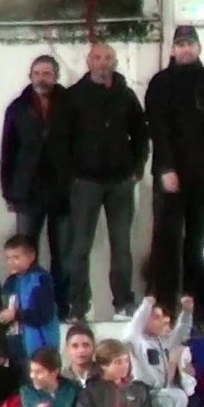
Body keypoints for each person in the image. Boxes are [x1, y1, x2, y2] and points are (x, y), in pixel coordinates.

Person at [144, 25, 204, 307]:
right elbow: (157, 130)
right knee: (167, 240)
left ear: (199, 48)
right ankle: (164, 305)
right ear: (173, 49)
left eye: (190, 44)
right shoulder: (159, 83)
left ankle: (195, 303)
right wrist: (165, 168)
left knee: (199, 240)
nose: (185, 49)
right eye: (180, 44)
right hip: (170, 176)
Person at [60, 42, 149, 322]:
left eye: (108, 58)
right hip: (85, 182)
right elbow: (61, 140)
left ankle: (123, 303)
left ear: (115, 61)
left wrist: (138, 168)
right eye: (97, 58)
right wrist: (71, 175)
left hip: (121, 181)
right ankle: (78, 306)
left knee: (121, 245)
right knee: (79, 247)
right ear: (88, 62)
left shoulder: (126, 95)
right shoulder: (74, 96)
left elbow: (141, 135)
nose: (102, 63)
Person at [0, 55, 70, 318]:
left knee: (63, 255)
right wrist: (8, 190)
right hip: (27, 191)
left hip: (61, 191)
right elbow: (8, 151)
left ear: (56, 76)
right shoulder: (17, 108)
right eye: (38, 73)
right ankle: (29, 308)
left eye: (47, 73)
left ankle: (60, 309)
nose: (42, 78)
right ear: (31, 77)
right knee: (26, 256)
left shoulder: (68, 105)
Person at [122, 295, 194, 407]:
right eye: (156, 317)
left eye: (162, 317)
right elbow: (132, 329)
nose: (162, 321)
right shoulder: (136, 341)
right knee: (176, 396)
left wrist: (187, 312)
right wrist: (146, 305)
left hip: (161, 393)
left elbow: (182, 332)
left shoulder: (163, 342)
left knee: (177, 395)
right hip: (143, 396)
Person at [0, 234, 59, 372]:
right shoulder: (10, 282)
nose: (11, 262)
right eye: (8, 258)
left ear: (31, 256)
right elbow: (4, 311)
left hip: (39, 350)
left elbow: (43, 315)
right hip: (15, 351)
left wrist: (15, 314)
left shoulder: (40, 279)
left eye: (16, 257)